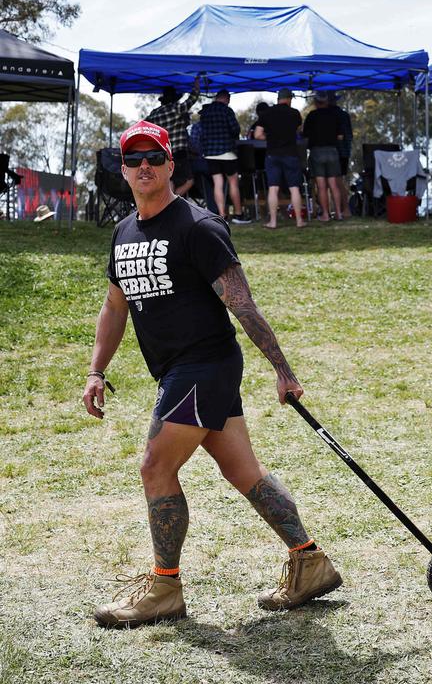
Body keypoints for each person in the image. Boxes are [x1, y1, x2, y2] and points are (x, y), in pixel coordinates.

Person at [83, 120, 341, 629]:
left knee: (155, 467)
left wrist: (283, 371)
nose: (144, 167)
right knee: (243, 472)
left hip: (204, 365)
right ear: (123, 169)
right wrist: (96, 370)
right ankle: (310, 561)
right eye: (133, 160)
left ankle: (164, 587)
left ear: (170, 165)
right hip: (180, 371)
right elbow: (116, 306)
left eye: (153, 158)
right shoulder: (124, 231)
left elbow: (242, 304)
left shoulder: (198, 227)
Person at [255, 88, 305, 229]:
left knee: (273, 188)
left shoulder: (266, 113)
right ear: (289, 99)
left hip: (272, 153)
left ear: (278, 98)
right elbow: (299, 131)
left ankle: (273, 222)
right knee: (294, 188)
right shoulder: (295, 113)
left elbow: (257, 134)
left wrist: (270, 138)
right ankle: (299, 221)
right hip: (291, 153)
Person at [199, 90, 249, 224]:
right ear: (227, 99)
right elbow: (235, 129)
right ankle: (239, 215)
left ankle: (222, 216)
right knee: (233, 183)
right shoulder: (227, 110)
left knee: (218, 184)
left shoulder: (205, 112)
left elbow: (201, 133)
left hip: (210, 153)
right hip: (227, 152)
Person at [146, 78, 200, 197]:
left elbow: (143, 128)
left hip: (162, 154)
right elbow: (192, 99)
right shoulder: (176, 109)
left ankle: (168, 205)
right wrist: (196, 86)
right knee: (189, 181)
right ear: (174, 99)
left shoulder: (154, 113)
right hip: (179, 153)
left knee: (170, 180)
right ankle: (172, 201)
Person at [302, 91, 347, 222]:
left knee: (321, 186)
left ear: (316, 102)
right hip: (332, 151)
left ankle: (326, 215)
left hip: (317, 152)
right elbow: (340, 136)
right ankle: (338, 213)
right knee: (334, 184)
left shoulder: (312, 116)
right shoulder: (335, 116)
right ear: (327, 102)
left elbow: (305, 135)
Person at [328, 92, 354, 219]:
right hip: (345, 152)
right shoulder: (344, 115)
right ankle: (343, 209)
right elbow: (350, 135)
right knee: (339, 182)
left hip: (334, 151)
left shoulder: (330, 115)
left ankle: (344, 209)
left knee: (336, 182)